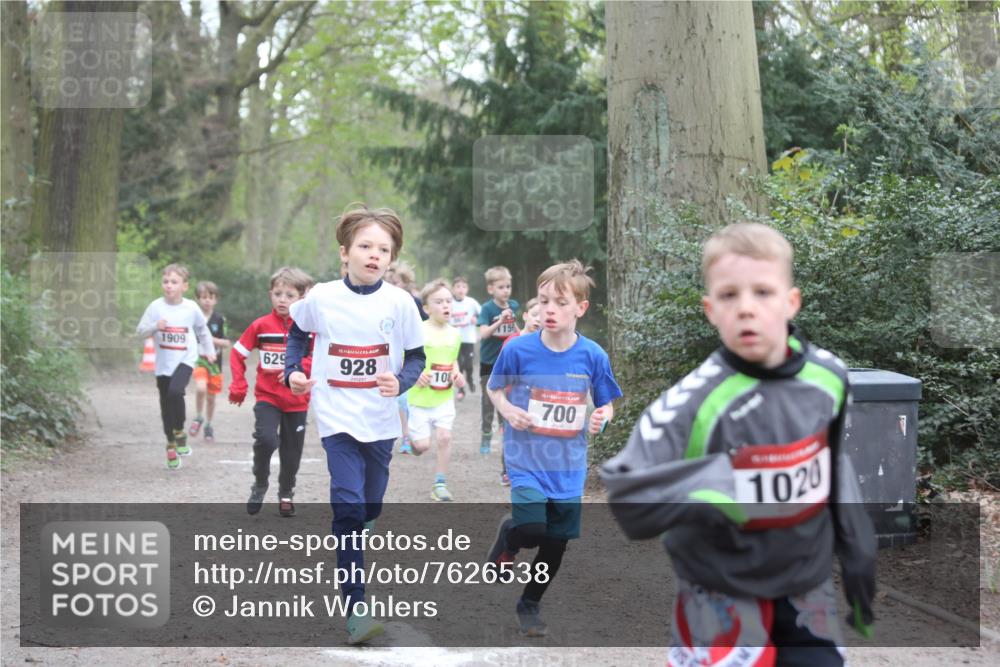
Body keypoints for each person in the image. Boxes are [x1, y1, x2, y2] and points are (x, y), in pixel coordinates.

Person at [601, 223, 876, 667]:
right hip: (719, 593)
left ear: (791, 302)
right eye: (729, 296)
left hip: (805, 588)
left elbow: (833, 462)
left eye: (763, 292)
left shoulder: (829, 376)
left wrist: (859, 552)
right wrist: (719, 483)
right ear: (710, 310)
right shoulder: (691, 404)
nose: (746, 308)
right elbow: (627, 498)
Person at [284, 204, 424, 645]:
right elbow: (297, 332)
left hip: (380, 422)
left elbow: (417, 357)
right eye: (365, 246)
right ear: (345, 252)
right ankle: (356, 610)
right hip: (336, 416)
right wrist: (293, 371)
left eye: (383, 249)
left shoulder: (400, 303)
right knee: (347, 507)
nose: (374, 255)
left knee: (370, 505)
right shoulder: (322, 297)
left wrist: (400, 381)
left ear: (391, 257)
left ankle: (365, 519)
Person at [486, 260, 622, 637]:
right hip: (526, 459)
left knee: (555, 543)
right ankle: (511, 537)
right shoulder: (519, 350)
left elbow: (607, 403)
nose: (549, 309)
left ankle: (529, 604)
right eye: (544, 300)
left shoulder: (592, 355)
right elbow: (494, 388)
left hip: (568, 465)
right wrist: (508, 410)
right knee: (532, 528)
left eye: (560, 303)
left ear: (580, 308)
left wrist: (602, 417)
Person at [229, 267, 315, 517]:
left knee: (292, 451)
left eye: (290, 295)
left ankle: (286, 492)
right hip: (268, 397)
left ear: (302, 298)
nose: (282, 300)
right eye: (278, 294)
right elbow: (237, 353)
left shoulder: (309, 329)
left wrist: (297, 368)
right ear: (270, 295)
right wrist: (238, 383)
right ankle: (260, 483)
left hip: (297, 400)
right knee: (266, 439)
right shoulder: (261, 325)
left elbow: (319, 357)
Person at [136, 264, 216, 469]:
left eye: (174, 282)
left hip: (185, 359)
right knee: (165, 404)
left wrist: (209, 350)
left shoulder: (191, 308)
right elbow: (140, 332)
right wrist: (155, 326)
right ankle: (171, 445)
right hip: (163, 364)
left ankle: (179, 430)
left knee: (175, 392)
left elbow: (202, 330)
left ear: (184, 286)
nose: (169, 285)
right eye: (166, 282)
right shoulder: (155, 307)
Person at [406, 279, 465, 501]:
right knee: (422, 445)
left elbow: (452, 360)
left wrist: (457, 374)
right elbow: (404, 359)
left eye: (448, 301)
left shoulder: (455, 334)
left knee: (444, 437)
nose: (445, 305)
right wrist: (416, 374)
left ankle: (440, 483)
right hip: (419, 399)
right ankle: (414, 444)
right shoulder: (417, 331)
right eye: (439, 302)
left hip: (443, 397)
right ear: (426, 308)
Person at [497, 298, 541, 486]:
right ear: (525, 316)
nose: (538, 319)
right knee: (512, 433)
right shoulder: (512, 341)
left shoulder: (544, 343)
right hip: (511, 396)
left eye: (542, 316)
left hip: (535, 396)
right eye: (535, 314)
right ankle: (507, 470)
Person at [477, 265, 519, 455]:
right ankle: (486, 435)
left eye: (508, 286)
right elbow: (483, 334)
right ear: (491, 289)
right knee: (488, 401)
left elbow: (517, 330)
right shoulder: (487, 309)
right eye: (501, 287)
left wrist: (515, 326)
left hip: (507, 362)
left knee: (507, 398)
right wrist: (500, 321)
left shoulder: (514, 306)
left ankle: (506, 432)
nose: (506, 291)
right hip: (488, 362)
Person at [386, 261, 425, 454]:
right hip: (391, 355)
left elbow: (426, 326)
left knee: (411, 399)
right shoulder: (381, 300)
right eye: (389, 281)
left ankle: (416, 431)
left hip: (412, 355)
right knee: (400, 399)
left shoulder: (412, 302)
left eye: (396, 282)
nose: (392, 285)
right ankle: (405, 435)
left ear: (406, 282)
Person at [188, 281, 230, 443]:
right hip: (199, 361)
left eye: (211, 297)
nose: (207, 300)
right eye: (204, 297)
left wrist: (210, 339)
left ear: (216, 299)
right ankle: (198, 416)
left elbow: (226, 343)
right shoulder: (193, 318)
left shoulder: (220, 319)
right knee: (200, 388)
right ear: (197, 299)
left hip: (215, 365)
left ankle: (208, 425)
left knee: (211, 398)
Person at [448, 276, 481, 400]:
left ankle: (470, 379)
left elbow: (482, 314)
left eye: (463, 287)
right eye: (458, 287)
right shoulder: (449, 302)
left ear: (467, 289)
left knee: (468, 364)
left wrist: (476, 319)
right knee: (459, 365)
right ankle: (461, 389)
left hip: (468, 339)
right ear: (453, 289)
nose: (461, 289)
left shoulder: (471, 302)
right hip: (454, 340)